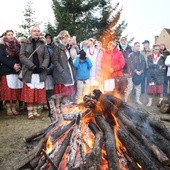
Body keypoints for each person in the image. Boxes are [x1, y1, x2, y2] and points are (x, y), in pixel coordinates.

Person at [19, 26, 49, 119]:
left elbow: (46, 57)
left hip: (39, 71)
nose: (36, 32)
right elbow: (22, 56)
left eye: (38, 31)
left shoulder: (42, 44)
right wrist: (32, 66)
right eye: (34, 31)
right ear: (31, 32)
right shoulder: (25, 43)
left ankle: (35, 110)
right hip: (29, 71)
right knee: (30, 91)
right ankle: (30, 112)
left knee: (37, 91)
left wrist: (43, 66)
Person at [0, 30, 22, 115]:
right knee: (8, 91)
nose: (11, 36)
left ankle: (13, 107)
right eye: (9, 35)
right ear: (5, 36)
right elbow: (2, 58)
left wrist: (19, 65)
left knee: (15, 90)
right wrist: (13, 65)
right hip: (7, 70)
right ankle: (8, 108)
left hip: (16, 70)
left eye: (12, 35)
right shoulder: (2, 45)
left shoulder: (17, 45)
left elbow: (21, 56)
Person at [52, 30, 76, 108]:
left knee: (67, 89)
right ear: (63, 37)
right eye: (67, 37)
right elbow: (54, 60)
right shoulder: (57, 46)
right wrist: (61, 70)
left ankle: (64, 105)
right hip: (60, 72)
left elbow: (68, 59)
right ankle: (57, 106)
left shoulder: (65, 47)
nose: (68, 39)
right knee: (59, 91)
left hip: (67, 70)